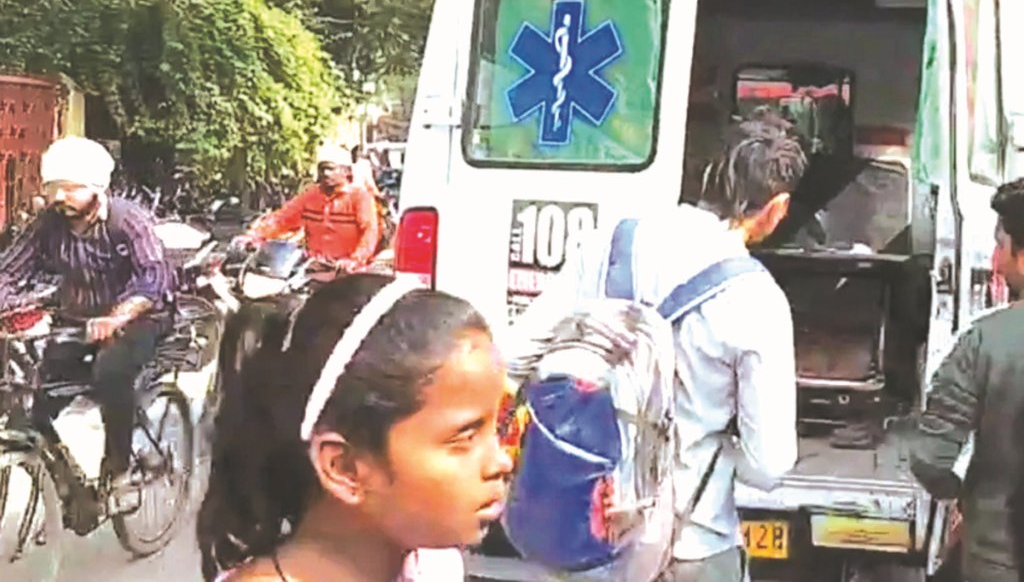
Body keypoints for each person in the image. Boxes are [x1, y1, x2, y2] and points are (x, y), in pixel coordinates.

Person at [511, 113, 808, 582]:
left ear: (703, 176)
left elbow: (514, 355)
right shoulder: (756, 298)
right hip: (690, 544)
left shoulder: (611, 241)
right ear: (777, 208)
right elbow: (769, 466)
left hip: (590, 531)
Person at [197, 273, 513, 582]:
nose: (502, 462)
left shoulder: (433, 564)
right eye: (465, 437)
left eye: (496, 428)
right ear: (345, 468)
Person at [0, 137, 175, 489]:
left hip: (140, 320)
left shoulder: (128, 220)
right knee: (39, 392)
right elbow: (10, 270)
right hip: (77, 322)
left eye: (71, 188)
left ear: (97, 188)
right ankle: (63, 487)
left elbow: (153, 277)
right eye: (53, 188)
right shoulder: (48, 224)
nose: (59, 197)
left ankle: (119, 466)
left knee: (110, 370)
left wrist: (117, 317)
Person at [909, 178, 1024, 582]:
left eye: (1000, 245)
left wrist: (963, 500)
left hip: (996, 558)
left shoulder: (984, 342)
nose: (996, 261)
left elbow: (930, 459)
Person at [237, 146, 380, 271]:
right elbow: (282, 219)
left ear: (346, 171)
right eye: (322, 169)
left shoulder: (359, 197)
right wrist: (254, 236)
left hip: (348, 271)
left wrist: (354, 260)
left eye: (330, 168)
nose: (326, 173)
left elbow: (370, 232)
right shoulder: (311, 196)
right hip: (314, 266)